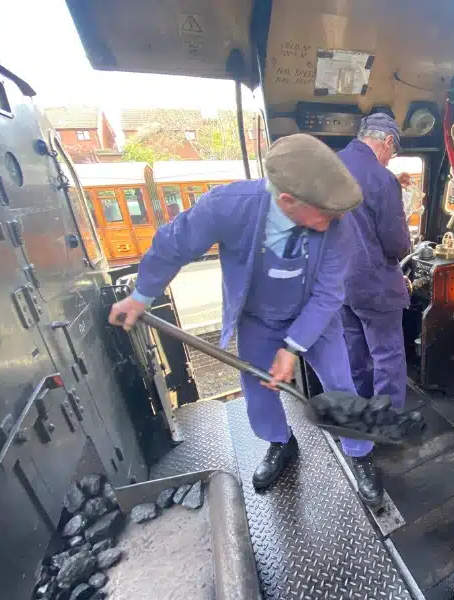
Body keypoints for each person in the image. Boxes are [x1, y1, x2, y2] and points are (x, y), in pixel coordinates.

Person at [108, 133, 371, 493]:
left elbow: (328, 295)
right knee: (258, 387)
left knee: (341, 382)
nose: (332, 221)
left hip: (315, 318)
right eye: (323, 215)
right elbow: (174, 243)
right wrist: (141, 296)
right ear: (287, 200)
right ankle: (280, 442)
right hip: (258, 318)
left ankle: (360, 453)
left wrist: (292, 348)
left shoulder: (341, 226)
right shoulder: (229, 205)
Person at [337, 113, 412, 507]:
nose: (390, 159)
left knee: (356, 355)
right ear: (384, 142)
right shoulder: (381, 179)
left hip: (339, 285)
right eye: (392, 152)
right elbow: (397, 243)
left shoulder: (331, 164)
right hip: (374, 286)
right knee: (388, 356)